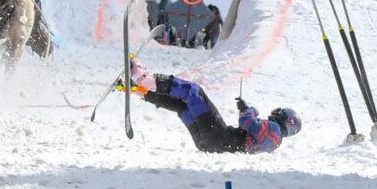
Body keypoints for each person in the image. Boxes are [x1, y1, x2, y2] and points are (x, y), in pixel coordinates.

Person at [129, 59, 301, 154]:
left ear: (283, 118)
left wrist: (248, 109)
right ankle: (138, 90)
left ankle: (145, 79)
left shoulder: (273, 129)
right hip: (208, 145)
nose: (274, 114)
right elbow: (252, 133)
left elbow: (247, 122)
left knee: (193, 92)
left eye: (278, 112)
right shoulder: (274, 144)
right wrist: (250, 110)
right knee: (183, 107)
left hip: (219, 135)